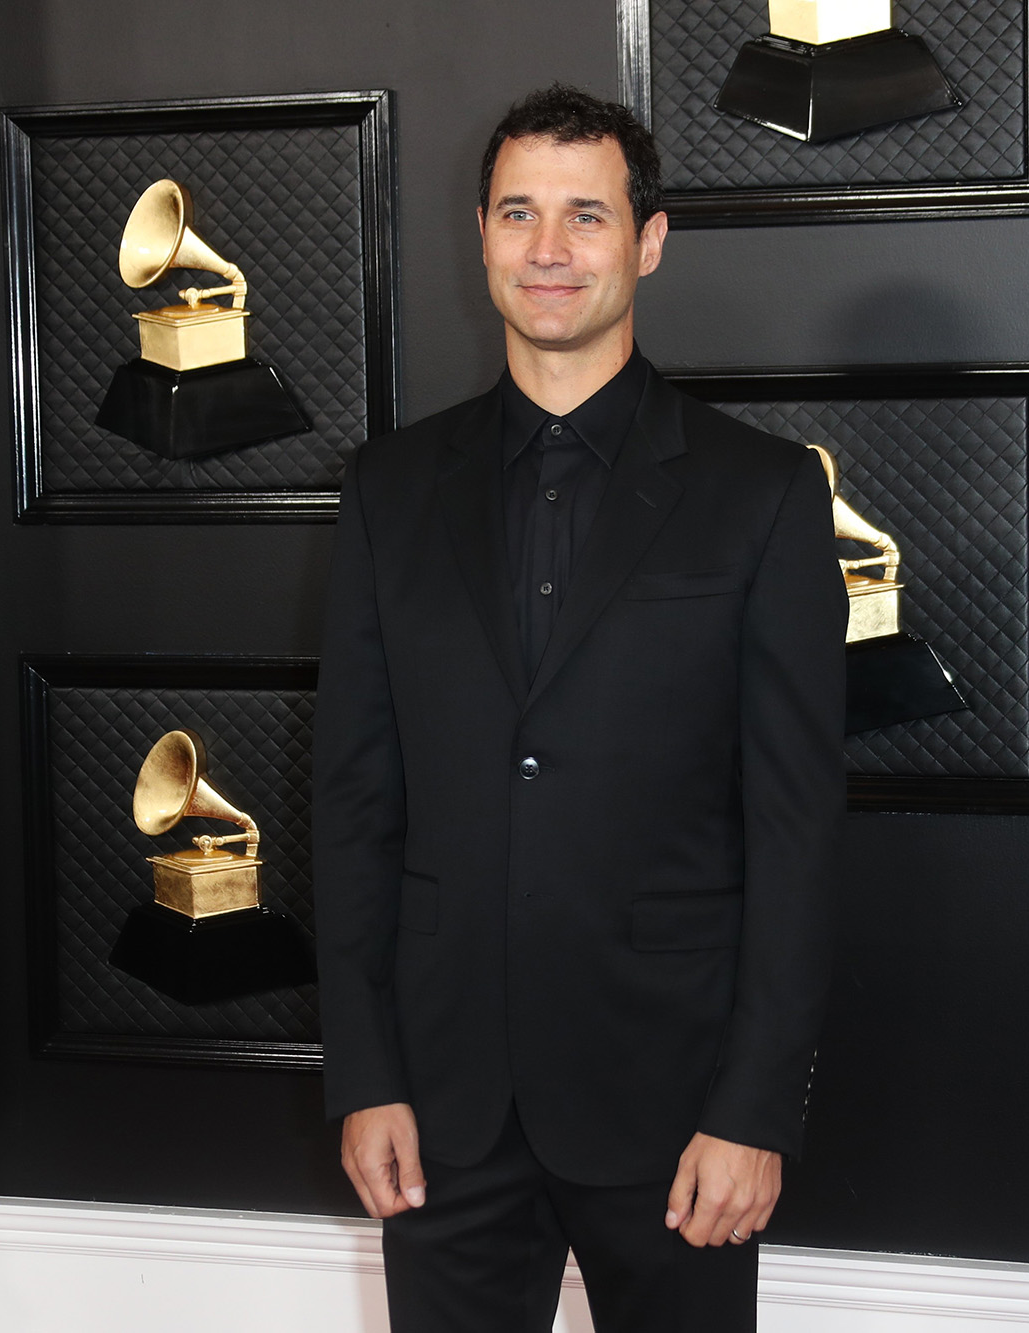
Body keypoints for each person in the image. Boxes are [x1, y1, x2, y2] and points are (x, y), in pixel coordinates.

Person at [313, 83, 846, 1332]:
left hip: (676, 1112)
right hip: (438, 1112)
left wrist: (753, 1107)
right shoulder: (387, 491)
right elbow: (351, 804)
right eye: (517, 214)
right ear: (482, 237)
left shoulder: (759, 495)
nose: (547, 250)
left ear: (646, 243)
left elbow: (797, 828)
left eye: (585, 216)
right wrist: (364, 1074)